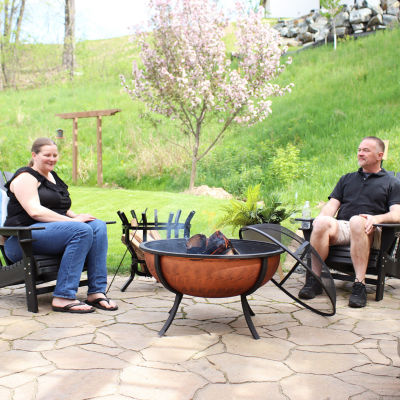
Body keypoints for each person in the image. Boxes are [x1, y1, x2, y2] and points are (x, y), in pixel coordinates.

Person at [4, 137, 118, 313]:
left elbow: (61, 207)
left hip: (48, 233)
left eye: (55, 155)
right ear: (34, 155)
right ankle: (63, 297)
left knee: (98, 226)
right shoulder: (25, 177)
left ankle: (96, 292)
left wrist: (76, 216)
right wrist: (73, 222)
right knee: (81, 230)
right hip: (23, 239)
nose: (52, 159)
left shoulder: (52, 176)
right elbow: (35, 211)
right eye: (47, 155)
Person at [299, 136, 400, 308]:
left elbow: (397, 214)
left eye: (366, 150)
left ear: (380, 155)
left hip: (373, 229)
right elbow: (332, 206)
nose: (360, 153)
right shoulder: (347, 179)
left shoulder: (392, 182)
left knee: (357, 221)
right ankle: (315, 280)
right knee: (322, 222)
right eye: (359, 150)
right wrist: (321, 219)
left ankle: (359, 285)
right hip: (345, 227)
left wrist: (376, 219)